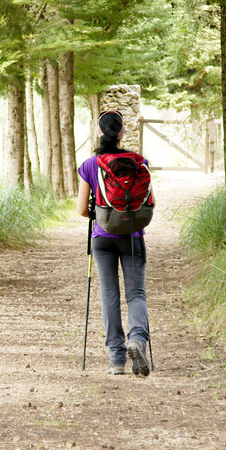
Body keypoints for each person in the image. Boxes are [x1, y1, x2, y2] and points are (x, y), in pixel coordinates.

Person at [76, 110, 151, 377]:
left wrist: (99, 211)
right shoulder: (139, 161)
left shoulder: (89, 165)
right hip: (133, 236)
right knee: (136, 295)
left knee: (110, 295)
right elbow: (149, 202)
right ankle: (137, 341)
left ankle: (117, 359)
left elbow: (82, 210)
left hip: (102, 237)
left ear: (99, 132)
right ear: (121, 133)